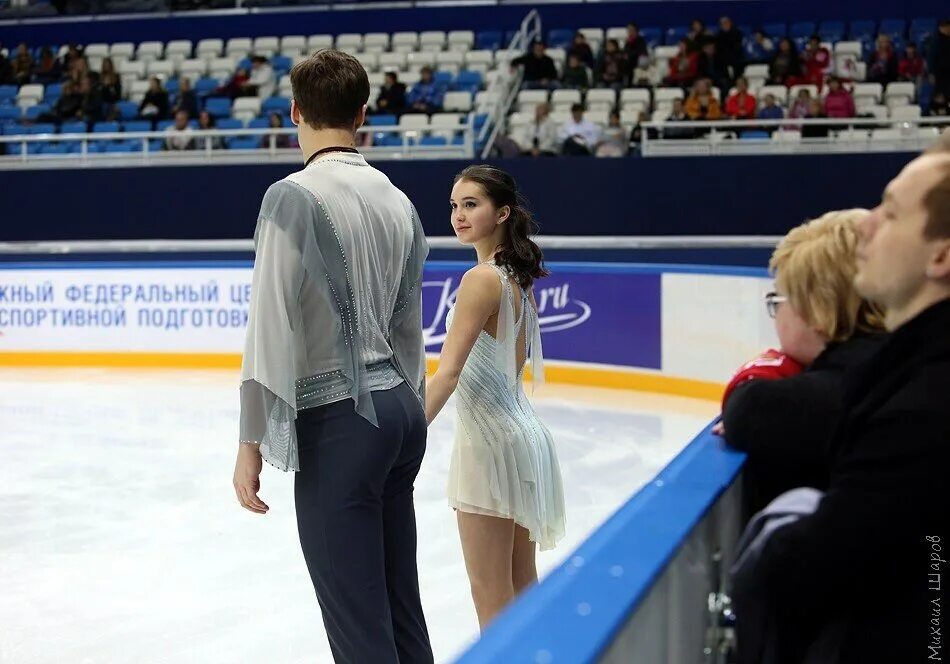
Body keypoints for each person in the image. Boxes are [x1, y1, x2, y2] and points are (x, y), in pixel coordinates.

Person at [232, 49, 433, 664]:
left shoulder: (291, 197)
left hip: (341, 424)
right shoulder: (399, 201)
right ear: (362, 115)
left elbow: (268, 321)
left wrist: (250, 440)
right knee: (401, 607)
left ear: (295, 111)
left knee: (358, 627)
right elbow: (408, 325)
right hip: (400, 415)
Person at [733, 140, 950, 664]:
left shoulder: (922, 403)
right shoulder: (905, 368)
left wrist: (781, 529)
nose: (866, 226)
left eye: (891, 212)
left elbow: (817, 567)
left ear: (941, 256)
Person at [428, 164, 565, 629]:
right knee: (521, 588)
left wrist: (405, 434)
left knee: (490, 595)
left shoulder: (481, 279)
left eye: (471, 204)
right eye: (454, 205)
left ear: (502, 211)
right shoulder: (514, 277)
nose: (458, 216)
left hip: (488, 446)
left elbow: (447, 375)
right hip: (520, 438)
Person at [717, 210, 887, 516]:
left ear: (817, 310)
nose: (776, 316)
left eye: (778, 301)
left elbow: (749, 408)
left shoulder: (839, 391)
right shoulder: (905, 358)